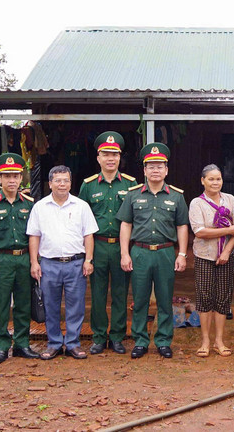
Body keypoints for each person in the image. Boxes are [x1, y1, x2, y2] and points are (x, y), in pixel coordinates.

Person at [117, 143, 189, 359]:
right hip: (140, 252)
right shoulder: (133, 195)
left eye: (159, 166)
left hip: (166, 252)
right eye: (151, 166)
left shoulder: (176, 196)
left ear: (166, 170)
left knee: (165, 299)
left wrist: (182, 254)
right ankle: (140, 341)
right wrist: (124, 253)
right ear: (144, 170)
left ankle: (163, 341)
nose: (155, 170)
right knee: (139, 299)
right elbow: (126, 225)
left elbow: (182, 226)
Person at [27, 165, 98, 360]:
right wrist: (35, 262)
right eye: (57, 180)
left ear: (70, 182)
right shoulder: (40, 207)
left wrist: (88, 260)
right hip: (49, 263)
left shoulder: (81, 206)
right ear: (50, 184)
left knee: (76, 305)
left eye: (65, 180)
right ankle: (54, 343)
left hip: (76, 263)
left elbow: (88, 235)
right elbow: (34, 236)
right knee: (50, 305)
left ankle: (73, 343)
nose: (62, 184)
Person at [0, 153, 40, 364]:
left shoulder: (30, 204)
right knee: (2, 305)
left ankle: (22, 344)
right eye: (7, 176)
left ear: (22, 178)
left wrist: (34, 261)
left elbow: (34, 235)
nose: (12, 180)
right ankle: (1, 346)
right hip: (1, 259)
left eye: (15, 175)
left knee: (23, 304)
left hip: (23, 258)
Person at [78, 131, 137, 355]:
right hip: (98, 245)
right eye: (106, 154)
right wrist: (87, 255)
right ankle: (99, 337)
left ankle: (118, 337)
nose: (110, 158)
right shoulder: (88, 185)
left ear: (120, 157)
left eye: (115, 154)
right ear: (98, 158)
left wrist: (128, 251)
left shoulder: (131, 184)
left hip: (123, 247)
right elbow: (81, 220)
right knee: (98, 294)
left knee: (121, 294)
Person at [189, 164, 234, 357]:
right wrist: (227, 231)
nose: (215, 182)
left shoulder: (230, 200)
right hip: (204, 256)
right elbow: (200, 232)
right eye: (211, 179)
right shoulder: (197, 203)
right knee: (204, 298)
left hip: (226, 256)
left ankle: (219, 341)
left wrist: (227, 251)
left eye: (218, 179)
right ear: (202, 181)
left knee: (223, 298)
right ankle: (205, 341)